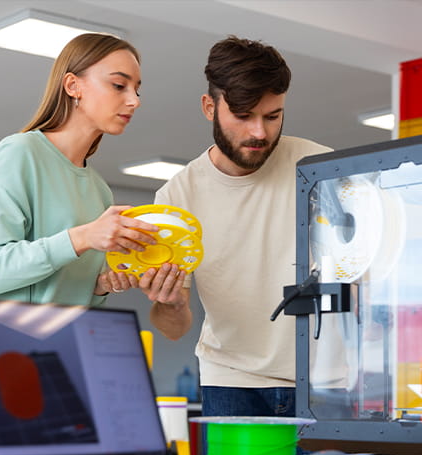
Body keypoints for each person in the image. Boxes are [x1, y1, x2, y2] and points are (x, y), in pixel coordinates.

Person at [139, 35, 333, 419]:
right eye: (243, 116)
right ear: (209, 107)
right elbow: (173, 329)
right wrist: (171, 302)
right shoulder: (177, 197)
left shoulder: (321, 169)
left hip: (324, 381)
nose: (259, 132)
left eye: (272, 116)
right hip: (230, 380)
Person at [0, 33, 161, 306]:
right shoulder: (19, 154)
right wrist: (83, 236)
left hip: (59, 343)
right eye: (118, 85)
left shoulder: (99, 190)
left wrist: (99, 286)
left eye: (136, 90)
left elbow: (60, 288)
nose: (134, 100)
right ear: (72, 85)